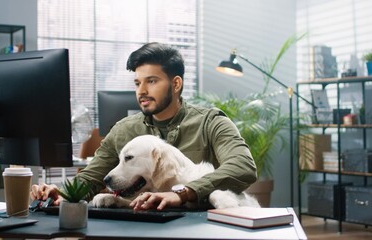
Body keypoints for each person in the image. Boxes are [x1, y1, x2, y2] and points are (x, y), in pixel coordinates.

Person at [31, 42, 257, 211]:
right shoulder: (124, 130)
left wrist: (185, 192)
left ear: (176, 84)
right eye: (138, 83)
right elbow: (92, 177)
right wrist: (61, 192)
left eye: (152, 81)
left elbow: (243, 166)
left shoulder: (211, 122)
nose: (141, 91)